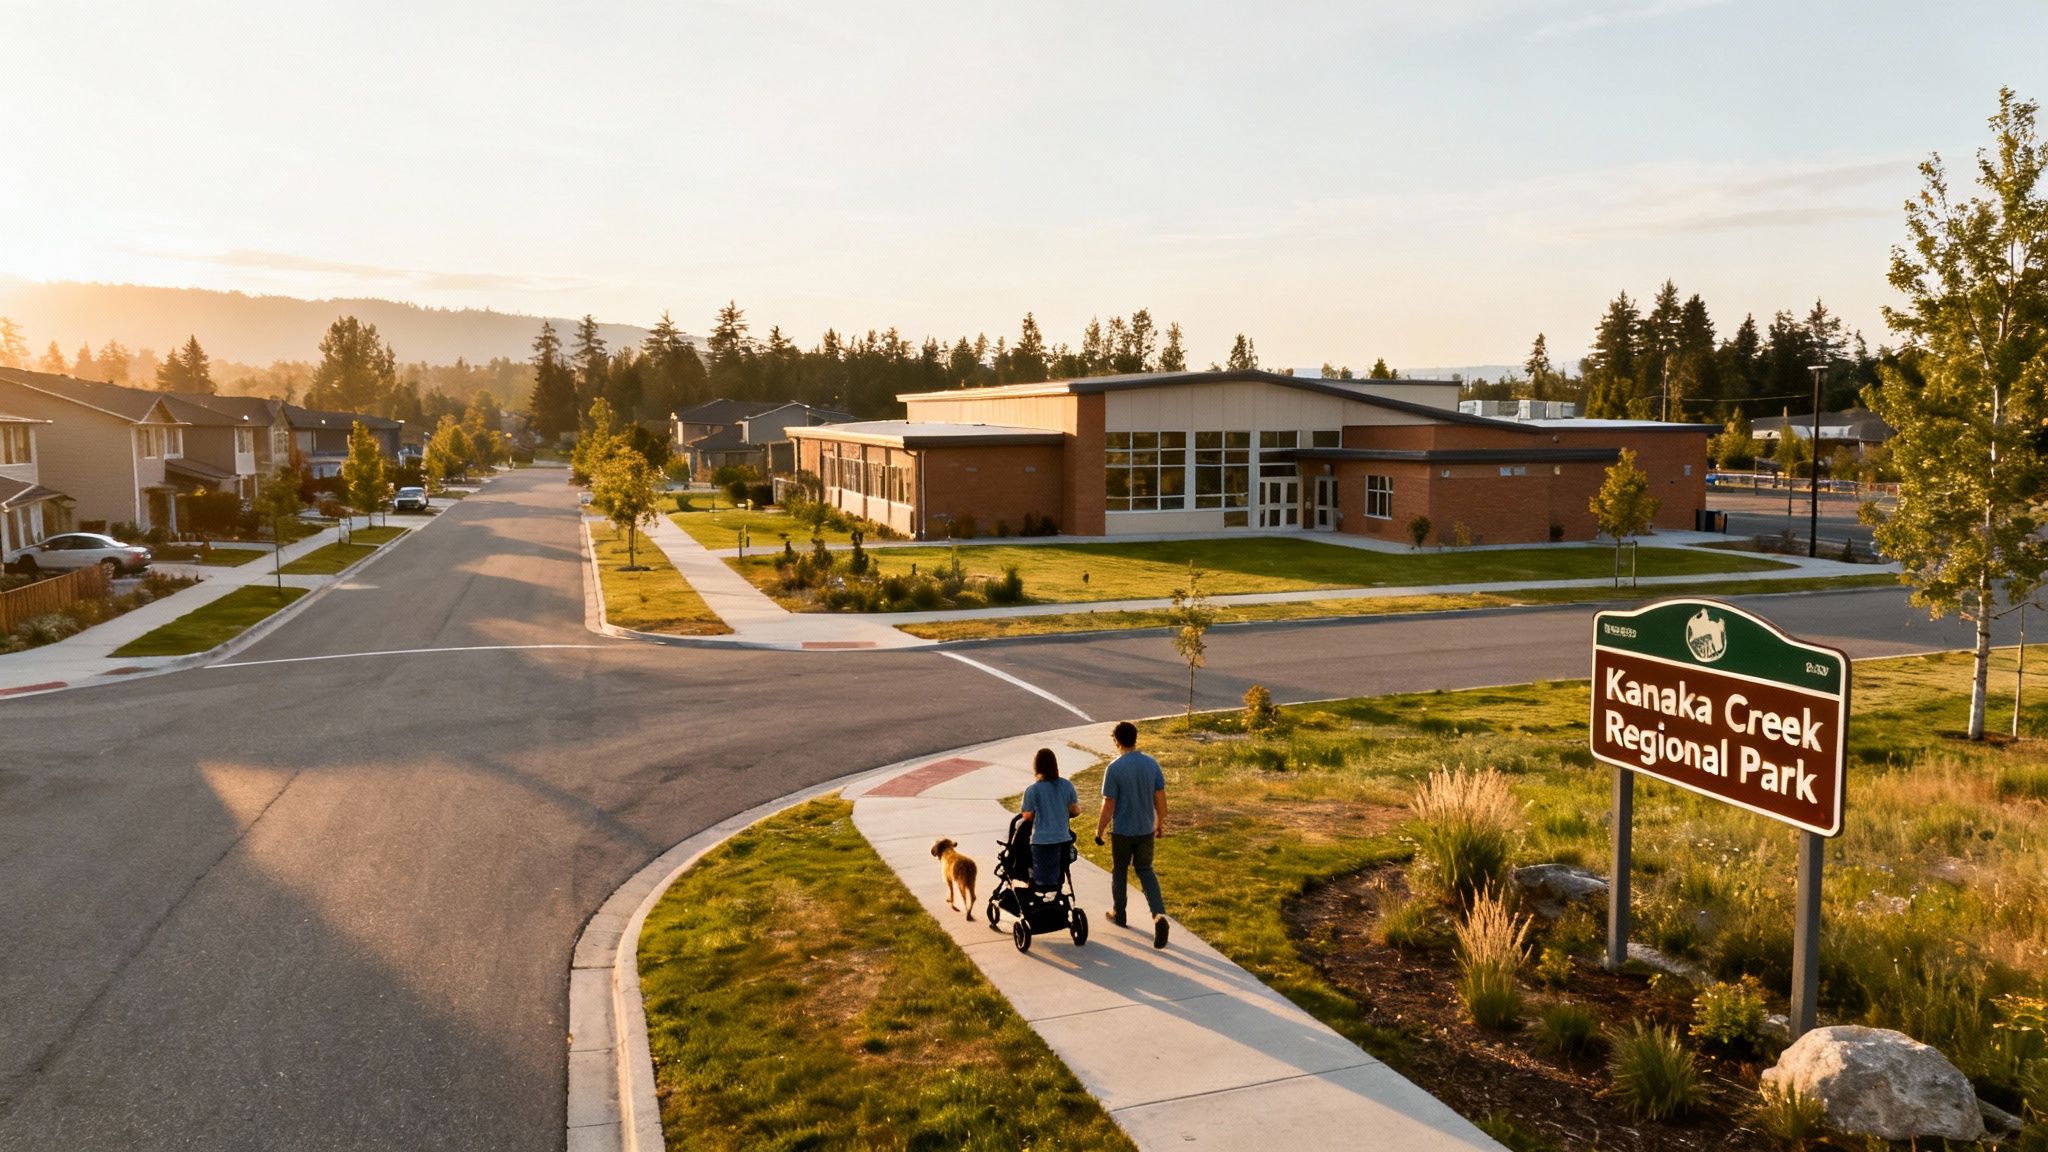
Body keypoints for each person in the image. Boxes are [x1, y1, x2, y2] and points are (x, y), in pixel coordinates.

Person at [1094, 720, 1170, 948]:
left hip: (1123, 832)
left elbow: (1109, 804)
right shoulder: (1151, 764)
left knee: (1120, 871)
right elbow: (1160, 798)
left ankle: (1120, 913)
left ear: (1116, 741)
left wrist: (1099, 831)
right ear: (1135, 738)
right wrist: (1159, 822)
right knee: (1146, 870)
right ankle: (1159, 915)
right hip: (1146, 828)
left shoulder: (1114, 768)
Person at [1018, 747, 1080, 893]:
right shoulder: (1067, 785)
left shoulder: (1032, 790)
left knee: (1041, 881)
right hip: (1063, 839)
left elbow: (1027, 815)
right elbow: (1075, 810)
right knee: (1057, 878)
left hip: (1042, 842)